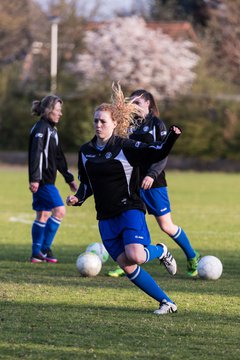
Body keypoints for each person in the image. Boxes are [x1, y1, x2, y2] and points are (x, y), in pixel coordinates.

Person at [66, 83, 182, 315]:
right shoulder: (85, 151)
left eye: (103, 121)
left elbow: (157, 152)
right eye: (96, 121)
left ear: (115, 124)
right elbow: (87, 184)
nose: (98, 125)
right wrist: (78, 198)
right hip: (105, 216)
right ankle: (167, 303)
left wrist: (171, 137)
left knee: (136, 255)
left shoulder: (125, 147)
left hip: (129, 208)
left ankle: (160, 250)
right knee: (127, 265)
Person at [108, 89, 200, 278]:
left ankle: (192, 256)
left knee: (166, 226)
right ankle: (126, 261)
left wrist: (152, 174)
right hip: (131, 182)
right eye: (131, 103)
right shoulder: (128, 125)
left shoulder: (157, 124)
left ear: (149, 104)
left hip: (154, 182)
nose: (134, 106)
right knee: (129, 220)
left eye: (138, 103)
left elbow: (162, 152)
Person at [28, 95, 78, 263]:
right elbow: (36, 155)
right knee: (60, 211)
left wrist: (68, 177)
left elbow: (58, 157)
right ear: (49, 111)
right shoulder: (41, 129)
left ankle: (37, 253)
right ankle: (44, 248)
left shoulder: (52, 130)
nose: (60, 114)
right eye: (57, 110)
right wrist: (35, 178)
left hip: (46, 180)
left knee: (43, 214)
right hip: (43, 181)